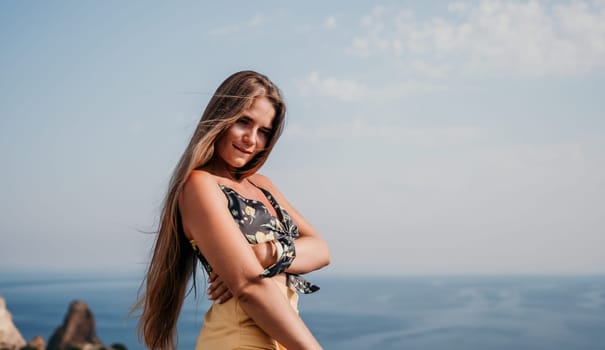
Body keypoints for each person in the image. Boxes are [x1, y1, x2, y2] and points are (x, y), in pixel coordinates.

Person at [135, 70, 331, 350]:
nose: (252, 139)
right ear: (221, 119)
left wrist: (262, 255)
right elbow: (250, 288)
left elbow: (321, 250)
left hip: (281, 340)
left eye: (264, 131)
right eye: (243, 122)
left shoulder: (263, 186)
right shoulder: (200, 185)